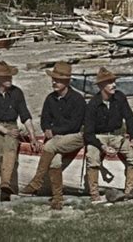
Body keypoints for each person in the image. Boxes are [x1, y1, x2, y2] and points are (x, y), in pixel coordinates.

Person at [20, 62, 86, 209]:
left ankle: (36, 182)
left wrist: (53, 131)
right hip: (56, 140)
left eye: (58, 80)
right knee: (54, 160)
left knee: (50, 145)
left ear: (67, 82)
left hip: (75, 137)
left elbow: (74, 125)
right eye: (53, 79)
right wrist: (47, 129)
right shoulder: (50, 99)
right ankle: (57, 198)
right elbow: (44, 120)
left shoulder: (77, 99)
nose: (54, 82)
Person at [0, 61, 41, 202]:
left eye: (10, 77)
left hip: (12, 126)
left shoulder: (17, 93)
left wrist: (33, 137)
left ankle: (5, 185)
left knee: (10, 145)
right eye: (5, 78)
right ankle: (6, 184)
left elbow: (25, 116)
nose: (9, 80)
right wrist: (5, 131)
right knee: (3, 147)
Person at [84, 67, 133, 202]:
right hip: (98, 137)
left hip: (117, 136)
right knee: (92, 158)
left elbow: (130, 118)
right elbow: (88, 133)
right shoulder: (93, 104)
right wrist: (102, 147)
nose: (113, 85)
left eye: (113, 82)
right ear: (101, 86)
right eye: (109, 82)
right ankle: (94, 194)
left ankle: (128, 192)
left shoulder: (120, 97)